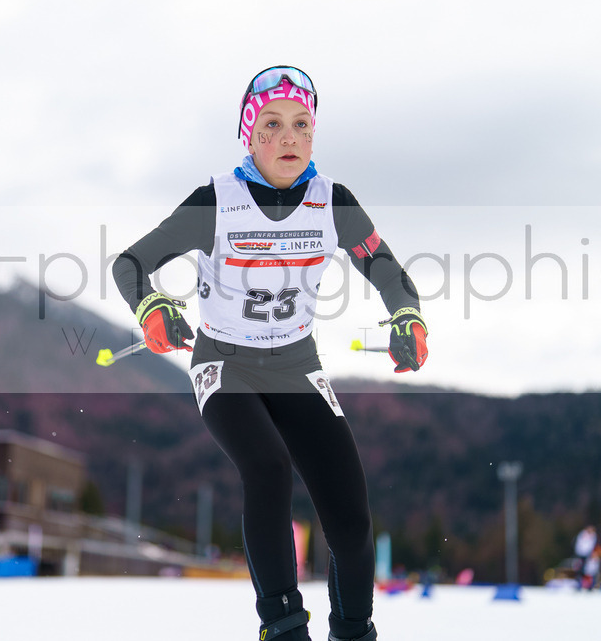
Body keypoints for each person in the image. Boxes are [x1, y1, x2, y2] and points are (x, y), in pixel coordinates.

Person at [112, 65, 427, 641]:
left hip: (296, 365)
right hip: (223, 361)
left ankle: (353, 632)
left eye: (302, 124)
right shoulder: (217, 201)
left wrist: (407, 314)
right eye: (273, 124)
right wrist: (152, 306)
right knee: (268, 467)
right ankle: (283, 628)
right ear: (249, 135)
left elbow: (388, 272)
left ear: (314, 135)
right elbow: (129, 264)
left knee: (351, 518)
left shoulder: (333, 202)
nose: (289, 137)